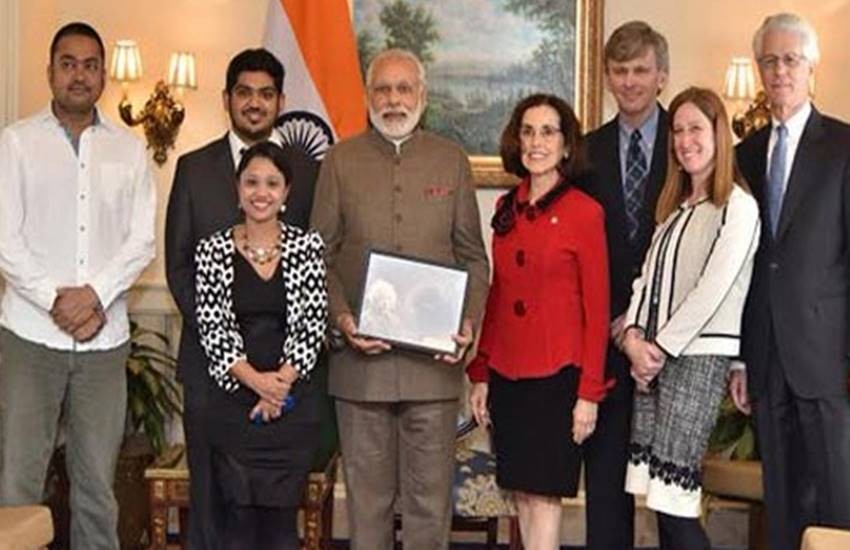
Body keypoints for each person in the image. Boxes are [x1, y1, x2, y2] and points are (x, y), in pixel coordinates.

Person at [310, 48, 490, 550]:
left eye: (404, 88)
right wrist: (342, 318)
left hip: (432, 371)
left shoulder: (450, 161)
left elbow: (474, 259)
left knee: (429, 509)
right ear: (368, 97)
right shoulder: (340, 161)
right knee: (366, 508)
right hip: (359, 370)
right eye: (383, 89)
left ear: (422, 96)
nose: (394, 99)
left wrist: (467, 325)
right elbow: (317, 257)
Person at [0, 22, 156, 549]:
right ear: (49, 72)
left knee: (96, 488)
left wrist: (92, 296)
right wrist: (55, 300)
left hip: (102, 343)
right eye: (68, 64)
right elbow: (5, 240)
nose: (79, 75)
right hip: (29, 338)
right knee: (18, 482)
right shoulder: (16, 143)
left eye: (90, 65)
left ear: (104, 76)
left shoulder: (130, 150)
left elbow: (141, 241)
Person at [165, 48, 318, 548]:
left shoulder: (308, 171)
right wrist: (232, 358)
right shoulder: (193, 168)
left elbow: (315, 274)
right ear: (226, 98)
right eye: (245, 93)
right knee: (212, 512)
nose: (255, 103)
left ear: (281, 102)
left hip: (286, 384)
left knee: (277, 522)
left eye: (266, 94)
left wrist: (275, 380)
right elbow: (179, 267)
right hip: (212, 378)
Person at [467, 93, 610, 549]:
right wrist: (480, 372)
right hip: (508, 375)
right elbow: (498, 295)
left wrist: (589, 393)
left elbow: (597, 309)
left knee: (545, 497)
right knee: (523, 496)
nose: (536, 142)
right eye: (527, 132)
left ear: (566, 146)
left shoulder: (585, 212)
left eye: (548, 132)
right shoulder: (505, 208)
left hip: (558, 377)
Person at [622, 87, 760, 549]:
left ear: (719, 134)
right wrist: (633, 338)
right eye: (677, 131)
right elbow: (646, 281)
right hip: (653, 361)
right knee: (659, 500)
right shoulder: (674, 209)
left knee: (675, 500)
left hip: (694, 358)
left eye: (696, 128)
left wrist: (657, 349)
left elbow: (712, 290)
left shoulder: (737, 207)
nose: (685, 140)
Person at [731, 13, 850, 550]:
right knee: (780, 505)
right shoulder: (744, 155)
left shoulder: (843, 146)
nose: (779, 71)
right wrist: (740, 359)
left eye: (790, 60)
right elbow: (739, 266)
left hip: (826, 356)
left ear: (810, 67)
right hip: (765, 356)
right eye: (769, 61)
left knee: (836, 502)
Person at [194, 141, 327, 549]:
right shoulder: (211, 250)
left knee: (281, 528)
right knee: (238, 523)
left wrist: (278, 387)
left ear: (286, 193)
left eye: (272, 183)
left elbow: (312, 324)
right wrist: (257, 383)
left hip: (291, 408)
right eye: (251, 182)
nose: (261, 192)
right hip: (234, 407)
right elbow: (213, 328)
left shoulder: (308, 247)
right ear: (237, 189)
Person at [579, 21, 670, 549]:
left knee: (673, 498)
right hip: (607, 346)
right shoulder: (585, 153)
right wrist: (619, 325)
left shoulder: (689, 142)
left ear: (661, 76)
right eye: (619, 71)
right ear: (608, 78)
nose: (630, 81)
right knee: (606, 491)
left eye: (640, 70)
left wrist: (646, 326)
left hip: (672, 348)